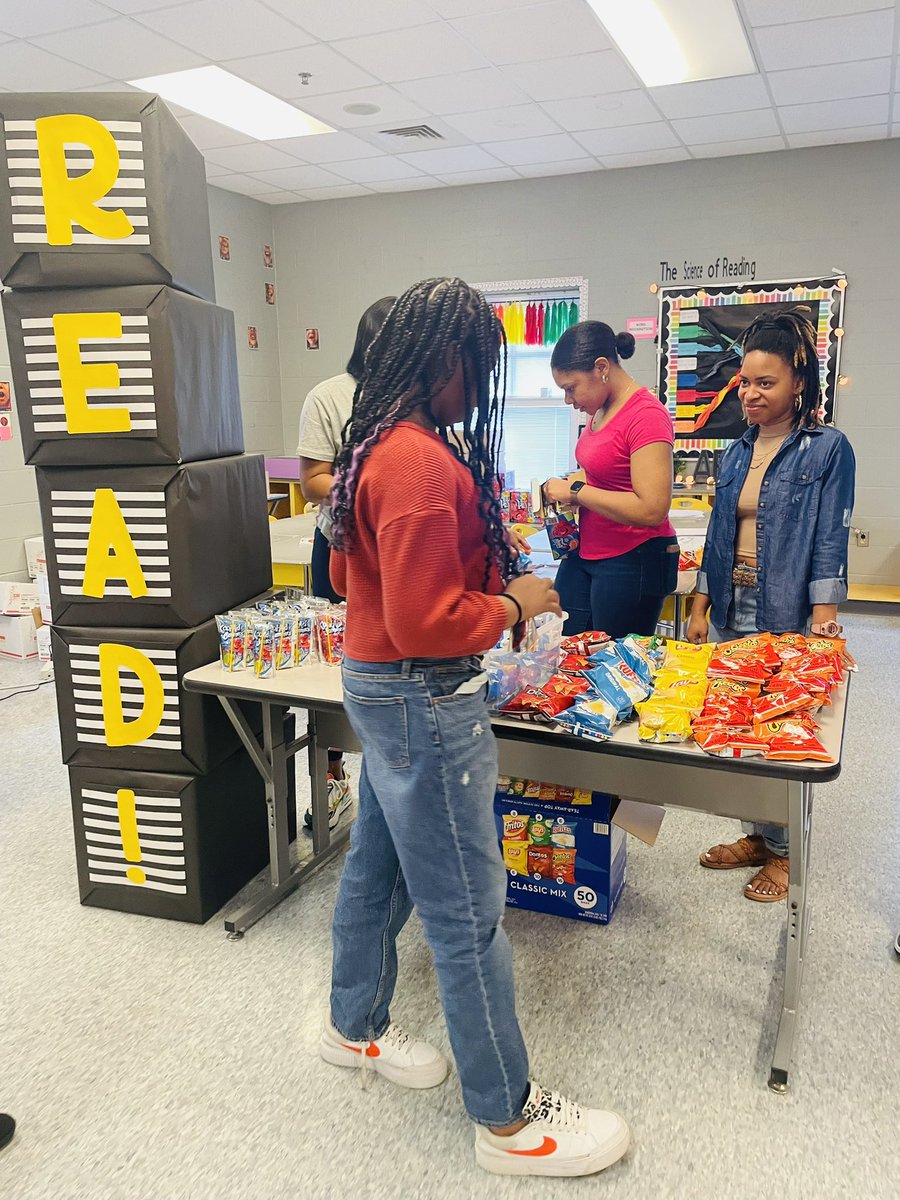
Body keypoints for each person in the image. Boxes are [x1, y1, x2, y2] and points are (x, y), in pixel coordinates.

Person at [321, 277, 630, 1179]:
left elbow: (351, 583)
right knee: (465, 910)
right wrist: (509, 601)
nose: (484, 383)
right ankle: (509, 1118)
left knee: (377, 871)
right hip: (422, 691)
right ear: (447, 360)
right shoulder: (415, 460)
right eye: (483, 365)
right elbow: (425, 621)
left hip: (380, 687)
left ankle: (355, 1027)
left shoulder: (373, 442)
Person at [686, 310, 856, 902]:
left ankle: (785, 853)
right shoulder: (735, 452)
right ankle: (757, 836)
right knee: (737, 721)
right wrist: (702, 600)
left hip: (786, 607)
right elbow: (716, 532)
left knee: (782, 727)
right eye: (746, 381)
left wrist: (824, 616)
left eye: (767, 383)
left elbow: (831, 535)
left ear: (798, 384)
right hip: (733, 602)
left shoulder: (828, 449)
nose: (752, 394)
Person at [296, 296, 395, 830]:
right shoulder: (330, 397)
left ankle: (385, 774)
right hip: (340, 544)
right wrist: (374, 491)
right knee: (333, 661)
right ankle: (331, 777)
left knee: (392, 655)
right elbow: (312, 480)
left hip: (399, 547)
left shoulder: (413, 399)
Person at [543, 322, 679, 639]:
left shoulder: (646, 414)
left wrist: (577, 492)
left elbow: (652, 509)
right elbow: (610, 475)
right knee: (565, 649)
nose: (567, 399)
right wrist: (572, 488)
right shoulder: (601, 408)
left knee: (616, 668)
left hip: (633, 558)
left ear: (601, 367)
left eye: (570, 387)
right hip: (589, 552)